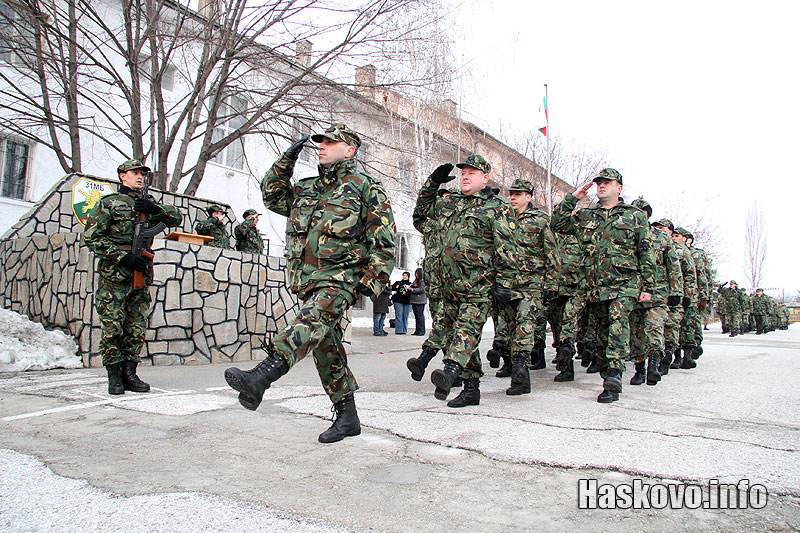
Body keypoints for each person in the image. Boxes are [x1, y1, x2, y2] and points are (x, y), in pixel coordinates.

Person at [224, 123, 395, 443]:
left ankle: (262, 376)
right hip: (307, 280)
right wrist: (286, 160)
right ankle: (347, 417)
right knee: (326, 348)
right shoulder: (306, 188)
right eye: (320, 141)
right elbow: (272, 196)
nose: (322, 146)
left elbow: (384, 242)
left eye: (330, 142)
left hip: (341, 278)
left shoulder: (365, 188)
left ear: (349, 150)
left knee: (311, 323)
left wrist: (369, 282)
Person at [414, 155, 517, 407]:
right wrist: (432, 184)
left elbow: (507, 247)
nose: (466, 176)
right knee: (456, 335)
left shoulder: (497, 207)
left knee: (466, 331)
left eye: (472, 172)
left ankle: (450, 370)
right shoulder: (451, 203)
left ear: (485, 178)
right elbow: (421, 213)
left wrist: (505, 283)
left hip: (478, 286)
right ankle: (471, 389)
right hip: (449, 287)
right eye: (463, 173)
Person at [551, 168, 655, 403]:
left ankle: (615, 375)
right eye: (599, 183)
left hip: (624, 284)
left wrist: (648, 286)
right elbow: (557, 223)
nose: (602, 186)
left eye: (607, 182)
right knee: (601, 336)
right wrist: (573, 198)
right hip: (593, 287)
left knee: (618, 324)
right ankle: (608, 373)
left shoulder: (634, 216)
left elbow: (645, 252)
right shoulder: (587, 216)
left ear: (619, 188)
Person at [84, 159, 182, 395]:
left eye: (142, 174)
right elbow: (92, 237)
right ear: (122, 175)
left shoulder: (147, 203)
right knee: (113, 327)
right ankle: (114, 376)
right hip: (114, 277)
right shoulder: (109, 203)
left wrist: (154, 210)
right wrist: (122, 257)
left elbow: (176, 218)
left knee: (136, 327)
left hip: (140, 275)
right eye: (135, 173)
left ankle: (130, 374)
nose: (139, 177)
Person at [495, 178, 559, 395]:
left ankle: (521, 375)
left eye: (518, 194)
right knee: (506, 330)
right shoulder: (502, 218)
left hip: (531, 286)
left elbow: (552, 253)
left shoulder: (540, 220)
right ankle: (511, 365)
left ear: (528, 197)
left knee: (525, 327)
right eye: (511, 194)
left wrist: (552, 283)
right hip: (506, 285)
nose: (513, 197)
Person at [628, 198, 683, 386]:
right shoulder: (626, 235)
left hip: (658, 294)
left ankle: (654, 365)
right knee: (636, 334)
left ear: (646, 214)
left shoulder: (662, 237)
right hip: (633, 294)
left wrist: (677, 292)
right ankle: (639, 370)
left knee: (654, 327)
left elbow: (673, 266)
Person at [409, 268, 427, 336]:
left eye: (417, 273)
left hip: (420, 301)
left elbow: (422, 289)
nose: (416, 275)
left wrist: (412, 289)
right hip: (414, 300)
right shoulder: (415, 280)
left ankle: (421, 330)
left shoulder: (422, 281)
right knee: (416, 316)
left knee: (420, 316)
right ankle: (417, 330)